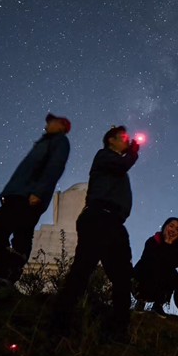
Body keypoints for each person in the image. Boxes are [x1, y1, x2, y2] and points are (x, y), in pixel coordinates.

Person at [50, 125, 140, 340]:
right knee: (82, 270)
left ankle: (118, 330)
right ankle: (59, 325)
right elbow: (123, 165)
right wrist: (134, 150)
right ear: (110, 140)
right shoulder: (105, 156)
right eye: (123, 138)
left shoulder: (116, 162)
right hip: (98, 217)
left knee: (121, 277)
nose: (127, 141)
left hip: (114, 222)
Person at [0, 113, 71, 300]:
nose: (48, 124)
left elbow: (54, 166)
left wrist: (39, 191)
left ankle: (5, 280)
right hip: (17, 194)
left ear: (61, 125)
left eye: (52, 121)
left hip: (29, 196)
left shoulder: (59, 142)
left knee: (20, 237)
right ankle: (1, 276)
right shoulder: (44, 142)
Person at [133, 217, 178, 318]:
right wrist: (165, 245)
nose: (173, 230)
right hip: (144, 278)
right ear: (165, 226)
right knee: (153, 266)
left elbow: (175, 263)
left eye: (177, 229)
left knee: (173, 274)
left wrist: (169, 245)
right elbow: (149, 260)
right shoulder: (152, 241)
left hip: (160, 282)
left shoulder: (175, 248)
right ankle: (141, 300)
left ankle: (158, 304)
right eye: (171, 226)